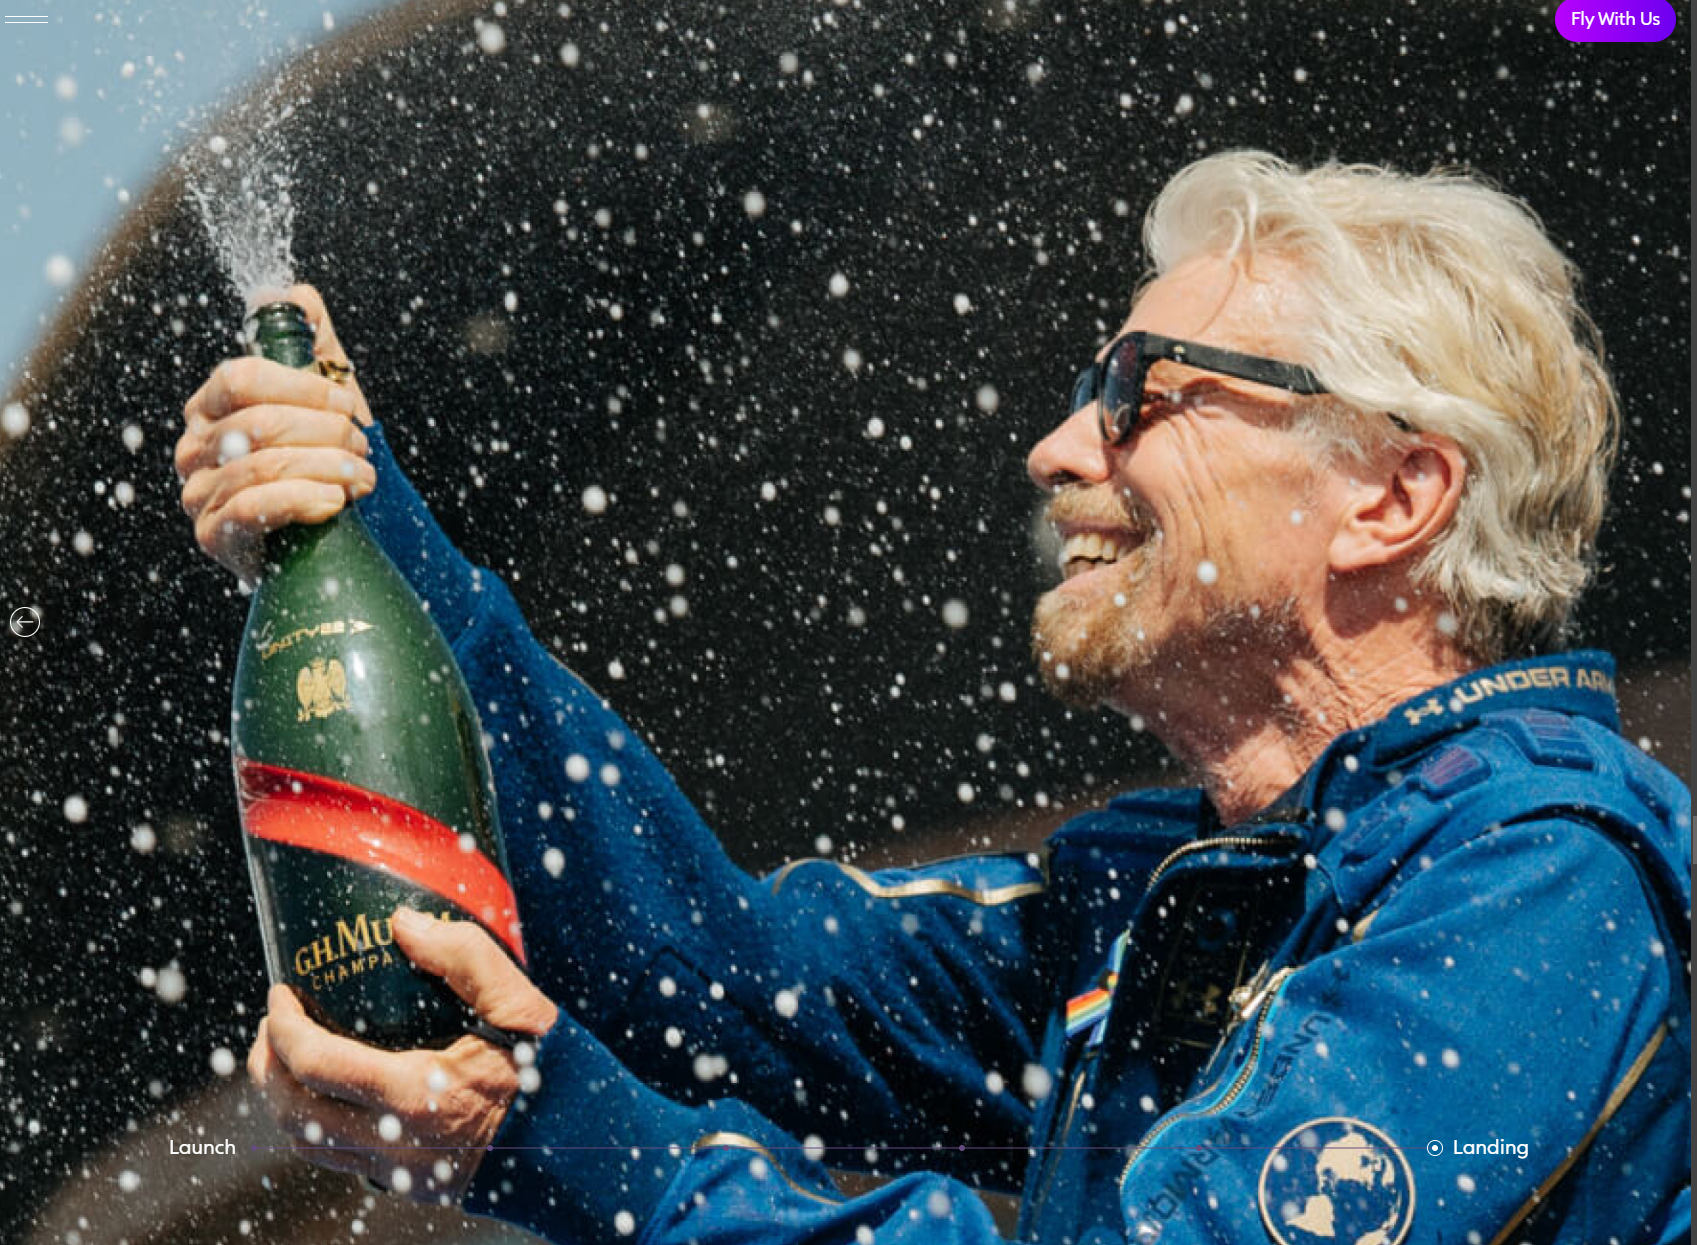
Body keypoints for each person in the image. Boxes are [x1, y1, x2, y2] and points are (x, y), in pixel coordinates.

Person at [175, 151, 1690, 1244]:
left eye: (1140, 391)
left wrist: (573, 1144)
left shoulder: (1546, 884)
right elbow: (719, 984)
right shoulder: (1157, 898)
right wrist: (371, 534)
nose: (1059, 449)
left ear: (1392, 495)